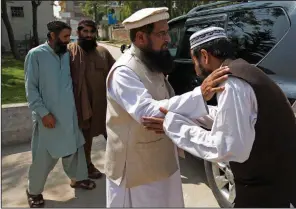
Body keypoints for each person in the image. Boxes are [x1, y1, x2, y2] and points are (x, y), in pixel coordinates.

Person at [142, 27, 296, 208]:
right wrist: (190, 114)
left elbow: (227, 148)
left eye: (194, 59)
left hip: (267, 193)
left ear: (205, 56)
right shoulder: (244, 70)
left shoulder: (232, 84)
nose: (194, 66)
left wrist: (173, 126)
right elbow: (235, 119)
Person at [104, 8, 230, 207]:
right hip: (136, 172)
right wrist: (200, 94)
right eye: (162, 34)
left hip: (162, 162)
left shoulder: (151, 64)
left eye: (167, 33)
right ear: (140, 37)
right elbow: (147, 112)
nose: (168, 40)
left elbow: (173, 105)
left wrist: (217, 116)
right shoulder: (123, 72)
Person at [24, 20, 96, 208]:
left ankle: (78, 179)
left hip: (69, 116)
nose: (68, 41)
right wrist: (43, 113)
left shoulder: (64, 55)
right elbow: (30, 89)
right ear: (52, 36)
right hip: (48, 118)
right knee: (43, 158)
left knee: (74, 150)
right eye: (65, 37)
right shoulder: (36, 55)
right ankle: (33, 191)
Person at [68, 19, 115, 179]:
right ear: (78, 33)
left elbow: (116, 74)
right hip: (82, 105)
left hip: (104, 105)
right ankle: (87, 166)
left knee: (115, 136)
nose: (88, 35)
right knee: (85, 140)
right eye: (85, 31)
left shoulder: (103, 52)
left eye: (91, 32)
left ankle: (120, 162)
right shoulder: (70, 52)